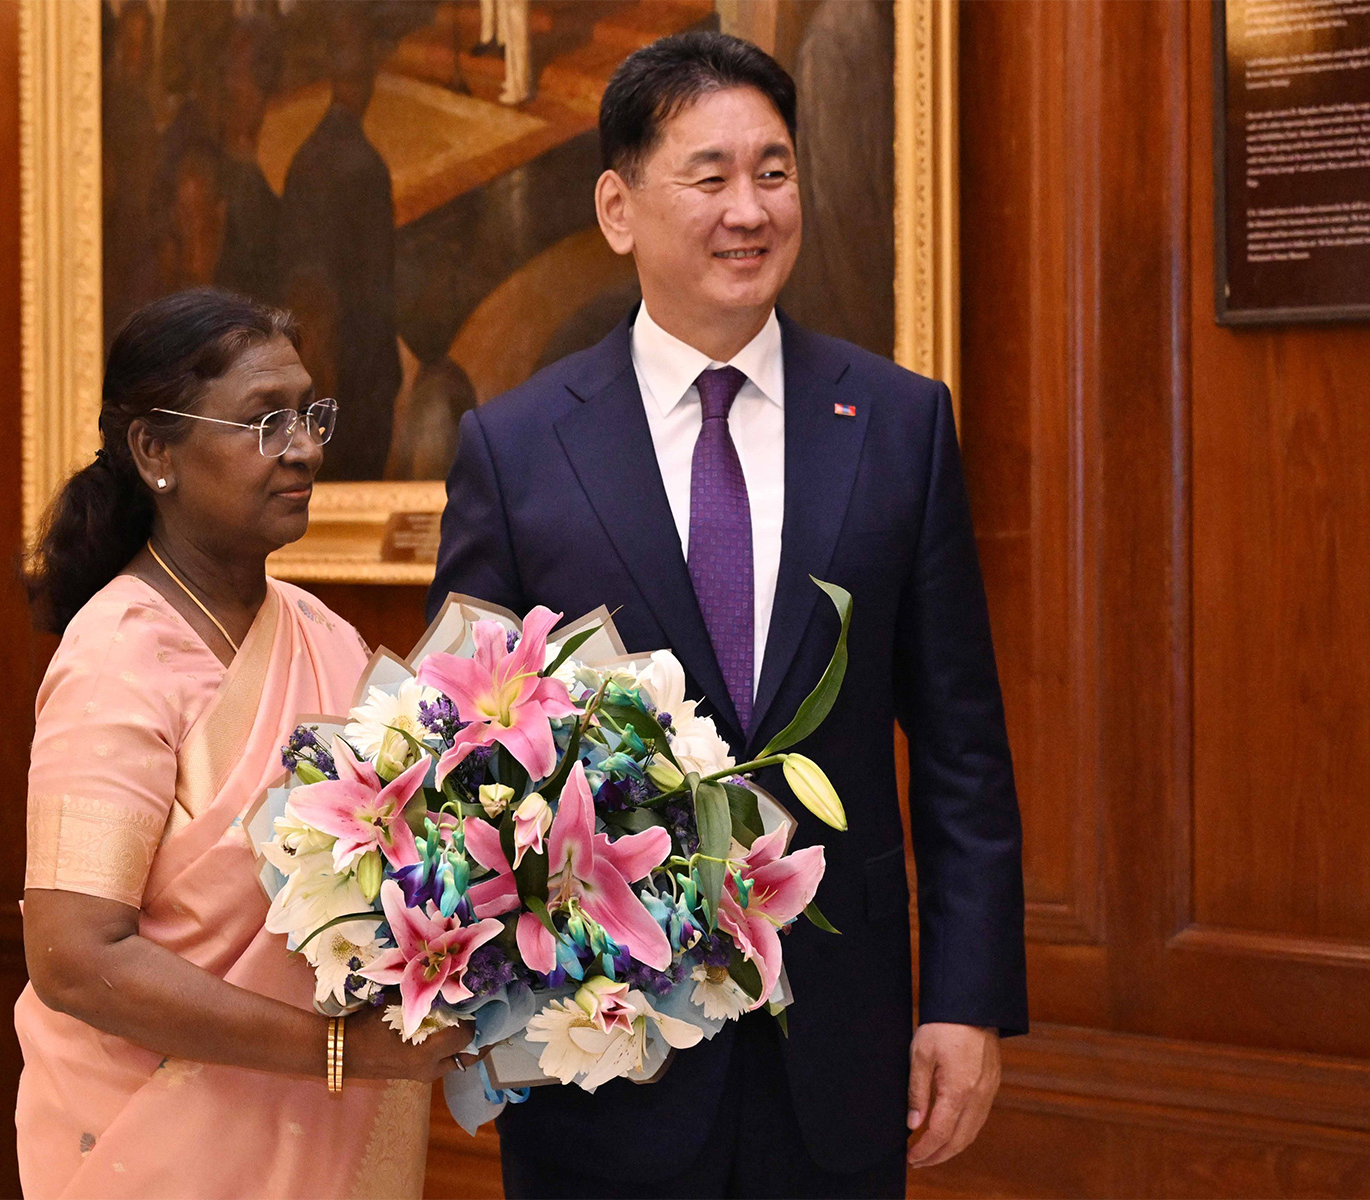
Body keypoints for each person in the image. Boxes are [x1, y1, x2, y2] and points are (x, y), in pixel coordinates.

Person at [427, 31, 1027, 1200]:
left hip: (840, 1049)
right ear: (618, 206)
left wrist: (965, 1003)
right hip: (599, 1053)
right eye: (709, 176)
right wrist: (483, 1010)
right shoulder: (517, 446)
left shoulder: (897, 424)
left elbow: (962, 746)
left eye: (774, 171)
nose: (749, 209)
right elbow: (469, 764)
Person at [16, 289, 472, 1199]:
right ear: (156, 451)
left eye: (308, 414)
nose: (303, 446)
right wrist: (340, 1050)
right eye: (264, 421)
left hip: (325, 1138)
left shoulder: (323, 634)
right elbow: (74, 955)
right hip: (157, 1139)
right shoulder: (118, 656)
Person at [279, 10, 401, 482]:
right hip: (349, 381)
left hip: (350, 375)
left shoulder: (320, 159)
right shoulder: (350, 166)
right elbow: (314, 291)